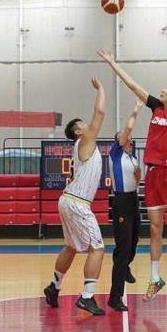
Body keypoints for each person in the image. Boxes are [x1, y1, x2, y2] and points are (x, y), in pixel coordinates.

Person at [98, 38, 167, 302]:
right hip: (152, 176)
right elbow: (132, 85)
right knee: (155, 229)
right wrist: (113, 63)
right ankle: (155, 278)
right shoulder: (155, 107)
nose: (162, 89)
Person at [43, 78, 107, 316]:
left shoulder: (82, 146)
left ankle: (54, 286)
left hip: (68, 200)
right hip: (77, 203)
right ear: (78, 131)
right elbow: (99, 113)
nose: (88, 125)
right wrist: (101, 89)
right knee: (97, 248)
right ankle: (87, 297)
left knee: (71, 247)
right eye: (83, 124)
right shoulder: (85, 140)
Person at [107, 99, 143, 312]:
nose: (127, 136)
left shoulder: (132, 157)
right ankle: (115, 296)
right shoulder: (116, 153)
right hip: (121, 201)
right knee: (122, 248)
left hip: (133, 200)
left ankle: (126, 265)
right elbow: (128, 128)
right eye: (123, 135)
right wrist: (136, 109)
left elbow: (135, 181)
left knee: (134, 240)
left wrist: (138, 176)